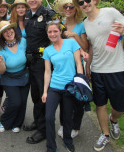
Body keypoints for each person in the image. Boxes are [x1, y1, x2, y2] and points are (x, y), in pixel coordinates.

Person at [72, 0, 124, 151]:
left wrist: (123, 31)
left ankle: (113, 120)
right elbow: (92, 46)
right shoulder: (86, 23)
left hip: (117, 68)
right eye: (81, 3)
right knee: (100, 104)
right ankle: (105, 134)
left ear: (94, 0)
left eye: (87, 0)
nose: (85, 4)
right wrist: (88, 66)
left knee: (120, 107)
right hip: (98, 69)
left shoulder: (110, 12)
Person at [42, 21, 83, 152]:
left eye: (55, 31)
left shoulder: (71, 43)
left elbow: (78, 63)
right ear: (47, 34)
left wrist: (80, 83)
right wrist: (45, 92)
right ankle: (51, 146)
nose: (52, 34)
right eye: (50, 32)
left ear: (60, 31)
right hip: (54, 87)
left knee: (67, 117)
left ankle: (67, 140)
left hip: (70, 87)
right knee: (48, 116)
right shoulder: (47, 50)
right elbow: (48, 71)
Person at [24, 0, 56, 144]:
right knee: (35, 95)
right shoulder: (28, 15)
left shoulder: (49, 15)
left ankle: (43, 130)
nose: (32, 0)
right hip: (30, 62)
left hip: (44, 63)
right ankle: (38, 122)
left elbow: (57, 37)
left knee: (44, 96)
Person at [54, 0, 89, 139]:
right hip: (62, 67)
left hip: (76, 66)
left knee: (77, 98)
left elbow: (85, 47)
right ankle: (64, 123)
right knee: (64, 97)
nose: (68, 9)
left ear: (76, 9)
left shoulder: (81, 26)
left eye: (71, 7)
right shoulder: (59, 24)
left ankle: (75, 126)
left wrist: (74, 35)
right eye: (66, 7)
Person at [0, 21, 29, 133]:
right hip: (8, 77)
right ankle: (3, 121)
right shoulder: (0, 49)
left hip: (24, 75)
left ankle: (17, 123)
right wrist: (0, 61)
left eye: (10, 29)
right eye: (5, 32)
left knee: (22, 102)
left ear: (14, 29)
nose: (8, 33)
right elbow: (1, 71)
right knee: (15, 102)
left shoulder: (23, 42)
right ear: (2, 36)